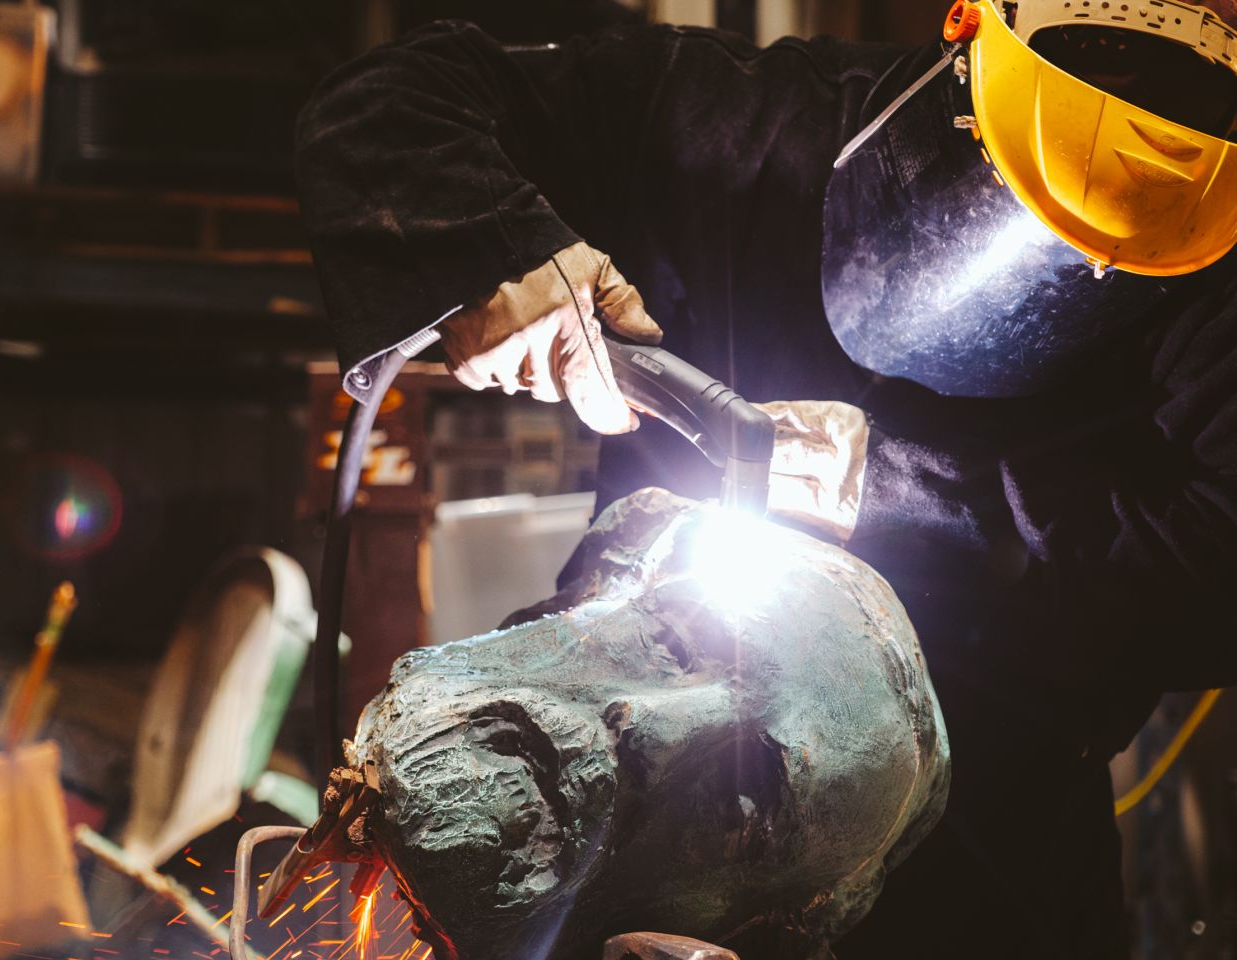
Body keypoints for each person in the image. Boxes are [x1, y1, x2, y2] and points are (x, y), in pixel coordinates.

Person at [293, 1, 1237, 957]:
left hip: (991, 866)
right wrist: (497, 248)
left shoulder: (1216, 268)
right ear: (965, 45)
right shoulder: (741, 124)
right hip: (629, 837)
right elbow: (393, 103)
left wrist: (904, 493)